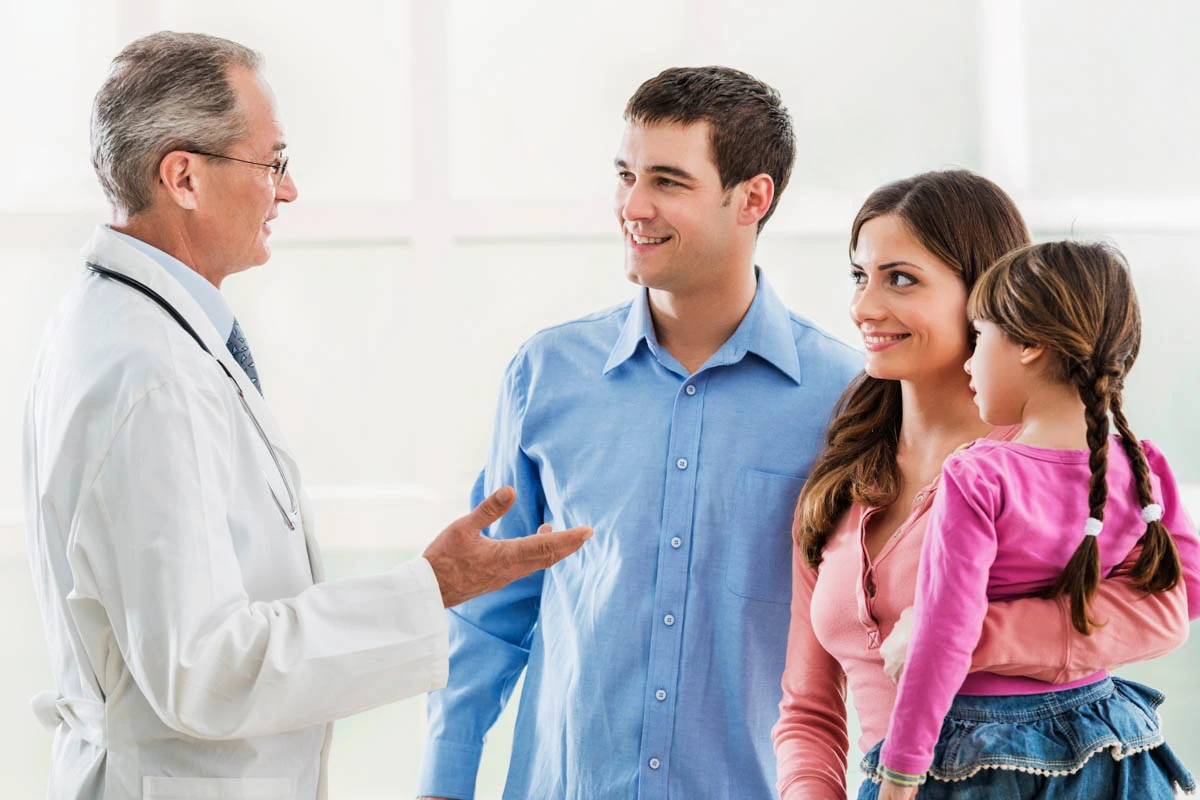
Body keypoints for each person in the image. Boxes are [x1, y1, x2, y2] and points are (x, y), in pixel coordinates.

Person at [21, 32, 590, 800]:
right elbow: (203, 669)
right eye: (271, 163)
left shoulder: (133, 330)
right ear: (183, 177)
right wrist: (429, 589)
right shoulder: (150, 372)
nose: (285, 191)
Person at [417, 66, 862, 800]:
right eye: (625, 174)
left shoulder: (845, 399)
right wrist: (443, 784)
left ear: (753, 197)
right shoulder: (546, 374)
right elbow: (486, 620)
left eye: (667, 181)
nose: (633, 205)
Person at [773, 170, 1195, 799]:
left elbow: (1167, 606)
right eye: (860, 276)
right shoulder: (838, 485)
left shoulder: (1054, 473)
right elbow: (808, 712)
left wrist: (964, 633)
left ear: (988, 297)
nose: (863, 307)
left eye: (901, 278)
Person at [870, 240, 1198, 799]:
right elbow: (1186, 591)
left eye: (980, 339)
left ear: (1030, 346)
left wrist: (900, 778)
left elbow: (945, 636)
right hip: (1113, 735)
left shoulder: (979, 475)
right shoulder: (1142, 465)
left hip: (980, 749)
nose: (969, 362)